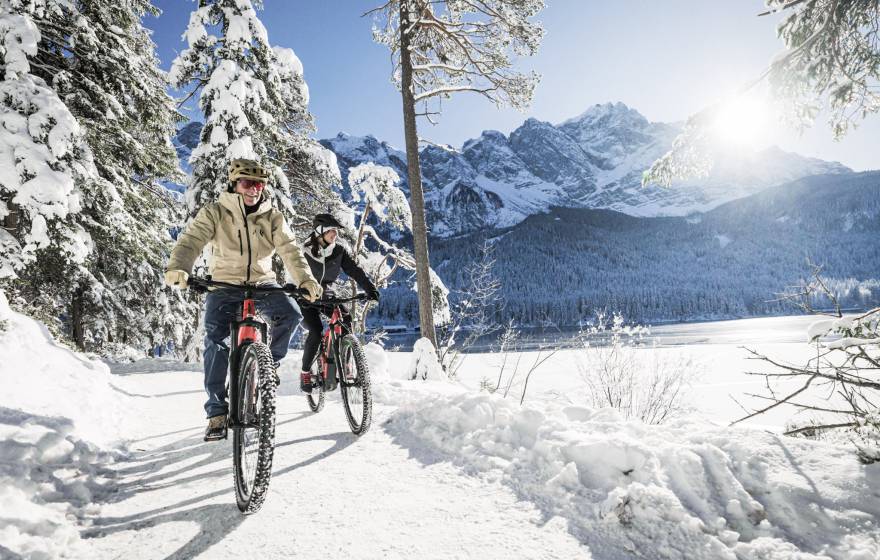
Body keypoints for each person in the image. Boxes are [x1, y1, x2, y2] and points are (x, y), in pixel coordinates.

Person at [164, 159, 322, 441]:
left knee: (292, 314)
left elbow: (290, 250)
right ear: (234, 184)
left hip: (262, 282)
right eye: (248, 183)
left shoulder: (272, 216)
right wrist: (180, 267)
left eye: (259, 184)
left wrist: (305, 280)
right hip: (225, 283)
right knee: (216, 340)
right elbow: (191, 241)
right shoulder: (215, 213)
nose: (254, 189)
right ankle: (216, 412)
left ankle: (267, 367)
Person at [299, 213, 380, 392]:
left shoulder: (338, 251)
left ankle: (345, 361)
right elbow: (294, 272)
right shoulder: (304, 250)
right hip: (305, 296)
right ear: (320, 231)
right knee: (315, 330)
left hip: (327, 295)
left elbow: (354, 270)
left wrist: (369, 288)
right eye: (331, 231)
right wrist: (296, 289)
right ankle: (305, 372)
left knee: (346, 320)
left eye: (336, 231)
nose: (335, 234)